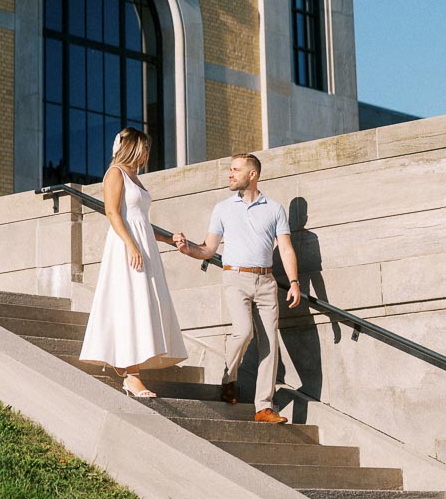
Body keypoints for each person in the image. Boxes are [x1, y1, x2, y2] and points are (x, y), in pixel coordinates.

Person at [173, 153, 300, 423]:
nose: (230, 174)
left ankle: (264, 406)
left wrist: (295, 282)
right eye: (230, 170)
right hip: (235, 279)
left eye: (235, 170)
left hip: (266, 281)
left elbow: (286, 248)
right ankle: (228, 378)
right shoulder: (223, 208)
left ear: (252, 174)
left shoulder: (274, 209)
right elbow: (208, 249)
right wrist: (187, 249)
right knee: (243, 332)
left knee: (270, 344)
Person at [79, 127, 187, 399]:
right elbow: (112, 212)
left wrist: (168, 238)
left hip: (143, 244)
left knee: (143, 303)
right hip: (127, 246)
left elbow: (141, 220)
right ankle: (132, 375)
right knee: (131, 302)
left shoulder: (135, 177)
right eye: (145, 148)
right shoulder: (115, 173)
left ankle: (130, 368)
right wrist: (130, 244)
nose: (148, 153)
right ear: (134, 148)